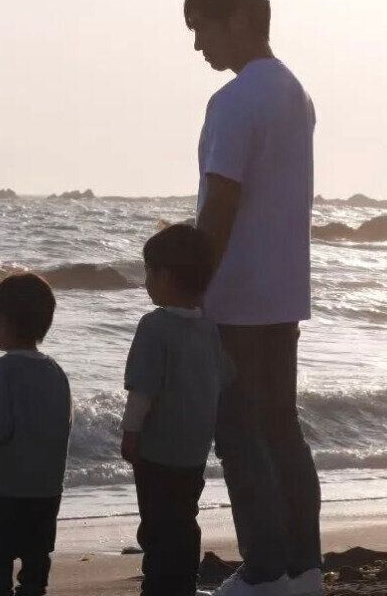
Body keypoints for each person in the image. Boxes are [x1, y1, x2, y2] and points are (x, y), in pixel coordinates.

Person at [186, 0, 322, 596]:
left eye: (201, 29)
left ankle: (266, 570)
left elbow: (222, 201)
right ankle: (302, 568)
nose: (198, 46)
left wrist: (190, 285)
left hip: (237, 294)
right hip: (283, 289)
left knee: (241, 437)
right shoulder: (293, 91)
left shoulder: (236, 99)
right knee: (280, 430)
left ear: (237, 18)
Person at [120, 224, 224, 596]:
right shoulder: (210, 328)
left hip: (158, 450)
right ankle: (183, 583)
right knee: (184, 518)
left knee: (156, 525)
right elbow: (220, 381)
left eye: (149, 272)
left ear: (164, 275)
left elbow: (142, 390)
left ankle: (160, 585)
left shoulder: (154, 326)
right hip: (193, 450)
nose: (146, 281)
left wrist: (131, 433)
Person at [0, 273, 72, 596]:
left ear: (4, 323)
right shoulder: (55, 372)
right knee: (37, 555)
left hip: (5, 487)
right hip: (46, 488)